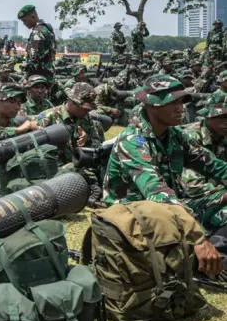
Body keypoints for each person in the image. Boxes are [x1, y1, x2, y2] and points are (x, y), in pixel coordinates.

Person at [103, 74, 227, 235]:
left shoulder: (175, 135)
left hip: (166, 207)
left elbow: (214, 166)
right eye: (172, 102)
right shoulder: (132, 141)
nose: (180, 108)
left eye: (181, 102)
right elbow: (155, 190)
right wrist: (196, 235)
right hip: (132, 215)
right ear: (152, 104)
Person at [36, 83, 105, 204]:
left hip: (77, 166)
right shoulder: (47, 118)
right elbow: (37, 153)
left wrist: (87, 139)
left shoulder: (85, 118)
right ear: (72, 102)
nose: (87, 111)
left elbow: (97, 147)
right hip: (54, 170)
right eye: (85, 108)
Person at [18, 4, 58, 81]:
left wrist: (25, 78)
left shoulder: (38, 32)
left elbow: (34, 60)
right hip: (48, 72)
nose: (24, 24)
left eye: (24, 20)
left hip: (39, 75)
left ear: (33, 17)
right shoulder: (46, 28)